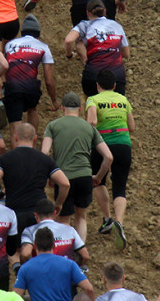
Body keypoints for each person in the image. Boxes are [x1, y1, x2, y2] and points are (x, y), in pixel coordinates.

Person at [41, 91, 112, 240]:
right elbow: (108, 157)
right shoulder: (89, 128)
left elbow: (44, 153)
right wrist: (98, 177)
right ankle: (80, 252)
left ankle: (66, 253)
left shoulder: (53, 126)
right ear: (80, 109)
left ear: (62, 108)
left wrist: (51, 175)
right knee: (81, 217)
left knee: (63, 219)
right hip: (85, 177)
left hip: (64, 178)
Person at [0, 124, 70, 244]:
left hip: (14, 212)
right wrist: (59, 204)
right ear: (35, 138)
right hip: (39, 214)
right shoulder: (44, 159)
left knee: (15, 251)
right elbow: (65, 184)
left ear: (16, 138)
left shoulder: (5, 159)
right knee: (38, 249)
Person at [85, 68, 132, 247]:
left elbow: (91, 122)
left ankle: (107, 219)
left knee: (99, 181)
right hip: (123, 144)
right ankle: (119, 222)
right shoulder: (123, 100)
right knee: (120, 187)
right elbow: (132, 126)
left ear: (97, 85)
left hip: (102, 145)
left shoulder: (93, 99)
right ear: (114, 85)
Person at [0, 15, 58, 133]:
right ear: (38, 32)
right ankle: (33, 145)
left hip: (13, 87)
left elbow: (4, 66)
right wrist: (54, 100)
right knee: (32, 109)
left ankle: (17, 149)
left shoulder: (10, 45)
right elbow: (49, 80)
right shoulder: (43, 47)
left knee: (15, 125)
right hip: (31, 87)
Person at [18, 198, 88, 265]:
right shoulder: (69, 229)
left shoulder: (30, 231)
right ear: (54, 213)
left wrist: (28, 270)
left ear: (36, 215)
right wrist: (73, 268)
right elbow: (85, 256)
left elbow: (25, 254)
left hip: (43, 274)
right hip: (66, 274)